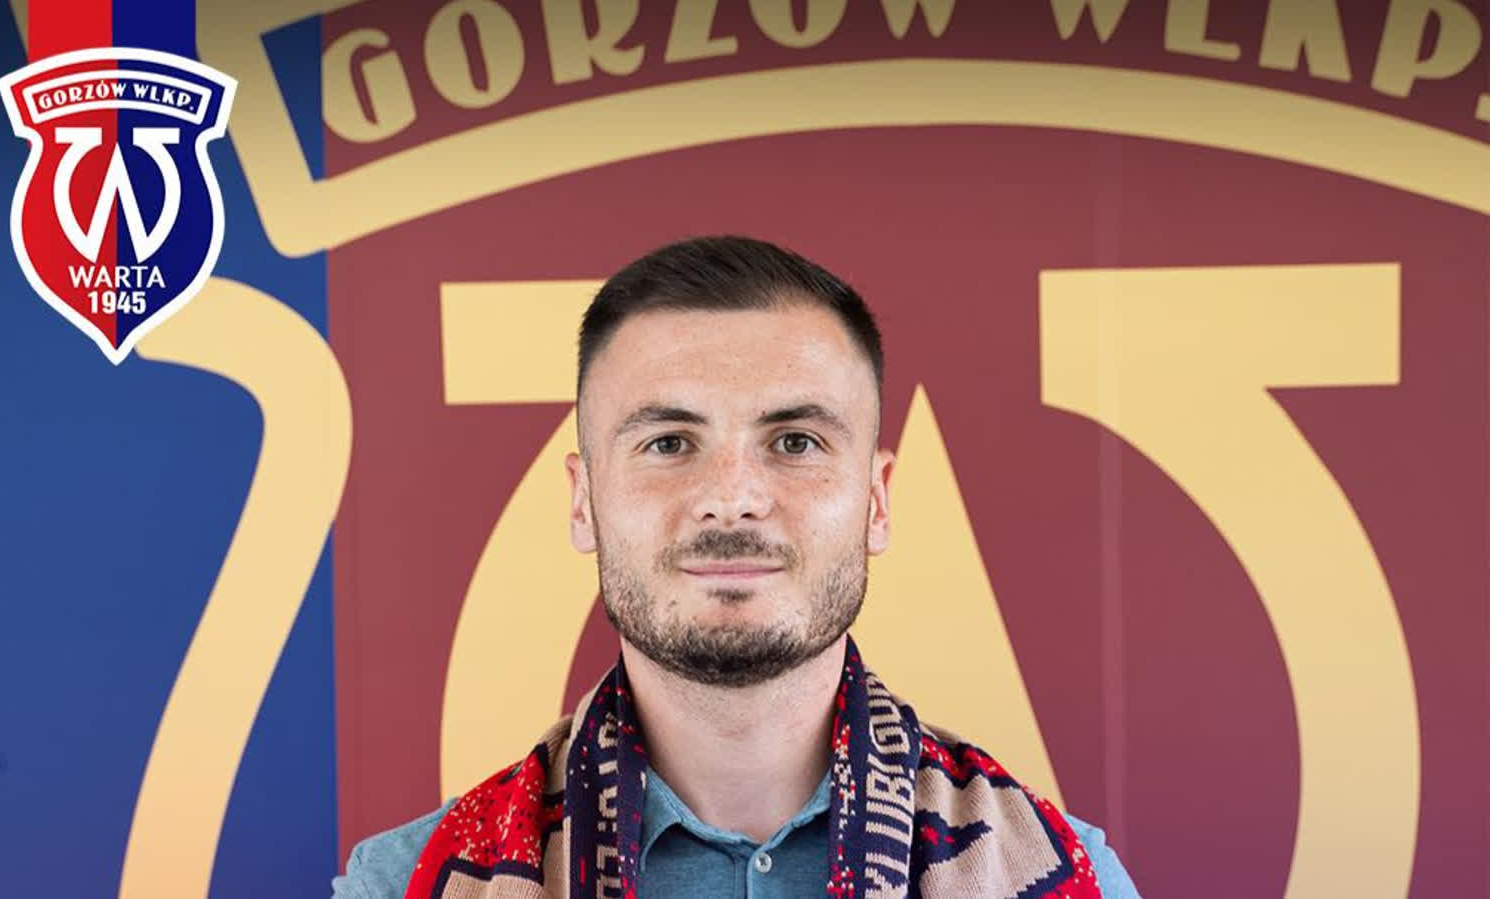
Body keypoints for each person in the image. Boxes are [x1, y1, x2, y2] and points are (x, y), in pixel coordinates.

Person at [332, 236, 1141, 898]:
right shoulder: (402, 884)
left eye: (795, 441)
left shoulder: (1069, 877)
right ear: (583, 502)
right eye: (669, 442)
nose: (732, 499)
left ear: (876, 501)